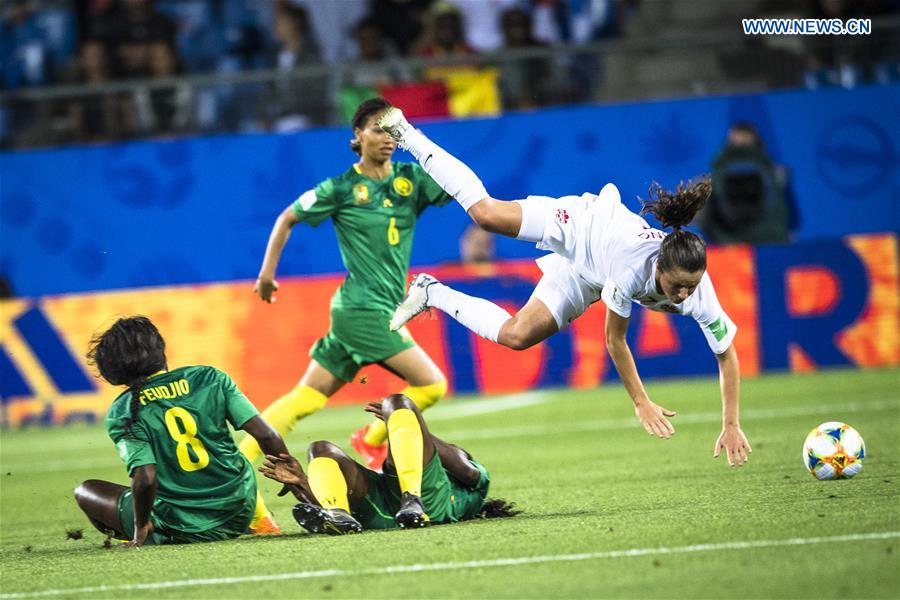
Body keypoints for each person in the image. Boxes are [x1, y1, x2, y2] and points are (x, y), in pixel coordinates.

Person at [379, 107, 752, 467]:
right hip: (579, 226)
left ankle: (431, 291)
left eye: (691, 286)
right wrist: (641, 402)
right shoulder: (630, 269)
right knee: (487, 215)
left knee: (516, 336)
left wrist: (731, 424)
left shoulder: (700, 292)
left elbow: (727, 355)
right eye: (678, 285)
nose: (684, 294)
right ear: (659, 266)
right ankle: (408, 135)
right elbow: (615, 340)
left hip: (590, 276)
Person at [240, 98, 454, 522]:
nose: (387, 138)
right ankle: (372, 440)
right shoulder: (339, 189)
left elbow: (455, 182)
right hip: (364, 309)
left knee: (304, 399)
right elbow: (287, 218)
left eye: (393, 130)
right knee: (432, 385)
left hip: (369, 309)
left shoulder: (411, 179)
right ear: (357, 136)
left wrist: (421, 143)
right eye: (377, 129)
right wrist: (266, 275)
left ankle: (236, 468)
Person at [73, 316, 310, 545]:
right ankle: (255, 521)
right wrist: (293, 480)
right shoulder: (210, 378)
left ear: (113, 369)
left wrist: (141, 524)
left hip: (181, 524)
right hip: (240, 509)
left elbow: (146, 477)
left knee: (86, 491)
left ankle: (150, 535)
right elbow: (267, 435)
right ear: (160, 349)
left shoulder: (124, 409)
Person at [259, 393, 517, 533]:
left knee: (398, 402)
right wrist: (302, 483)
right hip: (386, 509)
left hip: (425, 504)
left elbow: (464, 468)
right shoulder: (466, 484)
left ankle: (412, 500)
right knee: (320, 449)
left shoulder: (471, 483)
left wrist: (403, 423)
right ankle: (337, 513)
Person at [697, 122, 795, 245]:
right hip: (769, 244)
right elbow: (792, 219)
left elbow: (702, 219)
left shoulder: (714, 176)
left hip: (729, 247)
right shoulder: (776, 174)